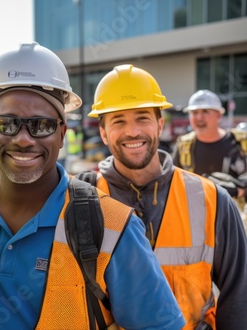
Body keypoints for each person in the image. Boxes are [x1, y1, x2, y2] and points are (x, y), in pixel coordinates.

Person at [0, 42, 184, 329]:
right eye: (6, 123)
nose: (23, 139)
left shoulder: (113, 226)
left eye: (41, 125)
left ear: (62, 134)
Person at [84, 64, 247, 329]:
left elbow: (240, 298)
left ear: (160, 124)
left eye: (142, 117)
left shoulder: (211, 200)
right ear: (103, 132)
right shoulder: (82, 200)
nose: (133, 131)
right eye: (118, 121)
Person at [173, 89, 247, 199]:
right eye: (194, 113)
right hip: (194, 213)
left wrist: (240, 190)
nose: (199, 117)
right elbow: (173, 184)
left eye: (205, 112)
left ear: (219, 116)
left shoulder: (239, 143)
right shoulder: (184, 146)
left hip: (233, 214)